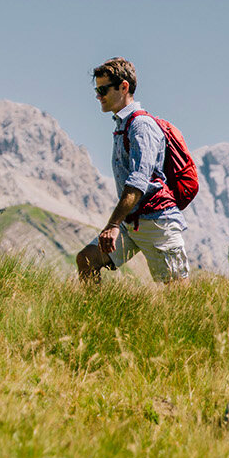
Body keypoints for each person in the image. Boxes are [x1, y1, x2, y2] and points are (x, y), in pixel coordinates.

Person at [77, 56, 191, 286]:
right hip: (133, 222)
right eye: (97, 90)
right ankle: (92, 321)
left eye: (103, 89)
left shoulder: (142, 126)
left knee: (180, 298)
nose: (98, 96)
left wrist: (111, 225)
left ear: (124, 87)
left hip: (158, 221)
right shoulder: (122, 125)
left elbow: (138, 182)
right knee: (87, 260)